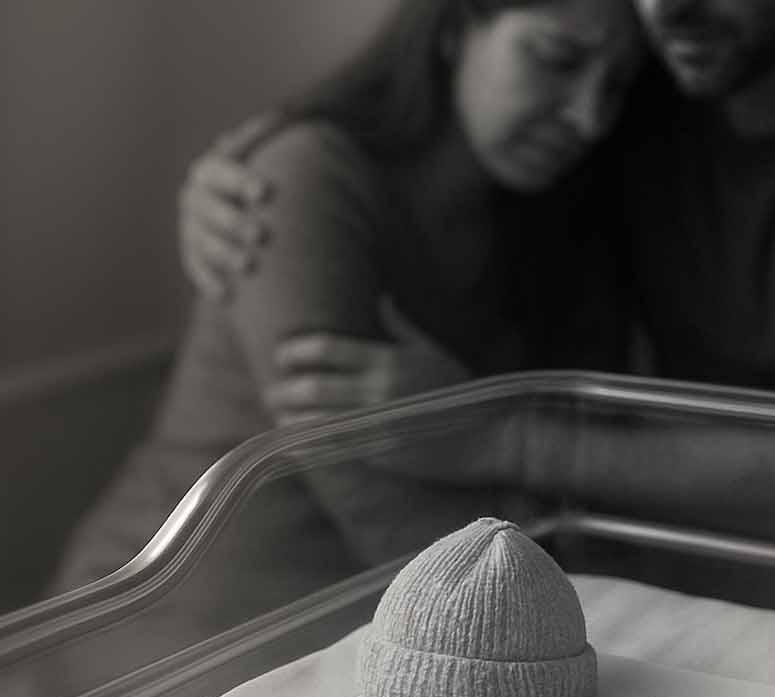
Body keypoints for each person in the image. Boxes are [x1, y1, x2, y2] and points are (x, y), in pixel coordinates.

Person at [179, 0, 775, 578]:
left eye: (604, 82)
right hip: (666, 583)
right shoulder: (657, 80)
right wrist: (253, 169)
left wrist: (503, 435)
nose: (663, 9)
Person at [51, 0, 648, 604]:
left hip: (383, 610)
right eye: (557, 58)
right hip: (183, 608)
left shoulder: (550, 225)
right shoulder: (303, 175)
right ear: (453, 27)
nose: (590, 118)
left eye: (617, 86)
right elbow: (385, 511)